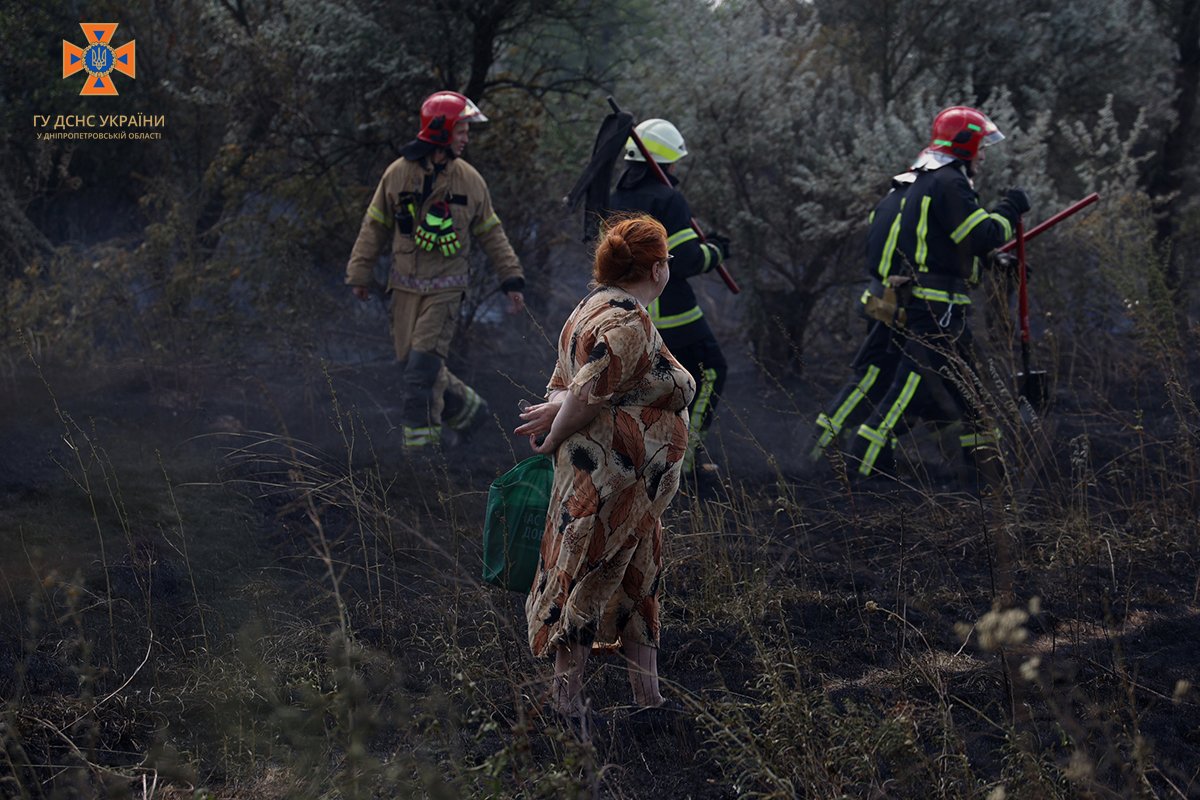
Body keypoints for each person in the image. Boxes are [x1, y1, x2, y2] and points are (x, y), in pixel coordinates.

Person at [514, 215, 695, 729]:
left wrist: (562, 410)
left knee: (641, 581)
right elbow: (586, 391)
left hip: (635, 488)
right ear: (658, 268)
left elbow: (567, 389)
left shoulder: (591, 307)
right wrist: (556, 429)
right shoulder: (626, 322)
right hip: (610, 481)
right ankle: (564, 702)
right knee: (590, 575)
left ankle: (649, 697)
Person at [847, 106, 1031, 488]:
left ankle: (986, 475)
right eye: (980, 147)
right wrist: (1009, 209)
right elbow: (981, 235)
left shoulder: (931, 180)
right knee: (910, 387)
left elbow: (948, 251)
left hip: (942, 305)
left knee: (972, 391)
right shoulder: (950, 182)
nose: (982, 156)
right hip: (936, 309)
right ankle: (861, 465)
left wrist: (994, 262)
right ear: (964, 146)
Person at [345, 90, 526, 449]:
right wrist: (359, 273)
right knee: (410, 366)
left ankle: (423, 457)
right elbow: (374, 225)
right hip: (405, 288)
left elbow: (492, 233)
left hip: (446, 289)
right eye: (461, 130)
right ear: (441, 130)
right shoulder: (397, 175)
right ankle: (471, 412)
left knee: (420, 373)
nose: (466, 138)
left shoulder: (469, 181)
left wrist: (511, 277)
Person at [607, 119, 729, 489]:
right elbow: (688, 259)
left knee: (648, 388)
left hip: (627, 311)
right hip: (673, 313)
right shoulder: (668, 199)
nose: (675, 168)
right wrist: (718, 251)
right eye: (675, 161)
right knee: (710, 373)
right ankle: (687, 461)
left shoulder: (617, 196)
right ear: (666, 161)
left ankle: (645, 460)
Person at [809, 170, 915, 463]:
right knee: (874, 376)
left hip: (883, 302)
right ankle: (819, 448)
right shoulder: (917, 203)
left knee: (883, 378)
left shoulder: (891, 200)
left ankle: (853, 449)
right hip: (897, 307)